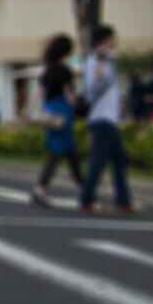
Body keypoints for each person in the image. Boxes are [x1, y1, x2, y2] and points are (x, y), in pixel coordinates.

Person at [80, 25, 136, 213]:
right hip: (101, 117)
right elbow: (91, 91)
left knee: (118, 160)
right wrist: (105, 76)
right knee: (100, 162)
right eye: (112, 38)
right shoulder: (95, 60)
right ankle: (89, 199)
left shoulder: (108, 60)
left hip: (109, 118)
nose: (115, 42)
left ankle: (123, 200)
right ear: (103, 41)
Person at [31, 34, 84, 206]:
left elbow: (40, 93)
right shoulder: (65, 71)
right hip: (62, 111)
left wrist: (33, 111)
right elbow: (69, 94)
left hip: (50, 110)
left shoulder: (47, 70)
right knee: (61, 151)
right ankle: (41, 188)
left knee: (67, 150)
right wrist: (79, 106)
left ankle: (82, 187)